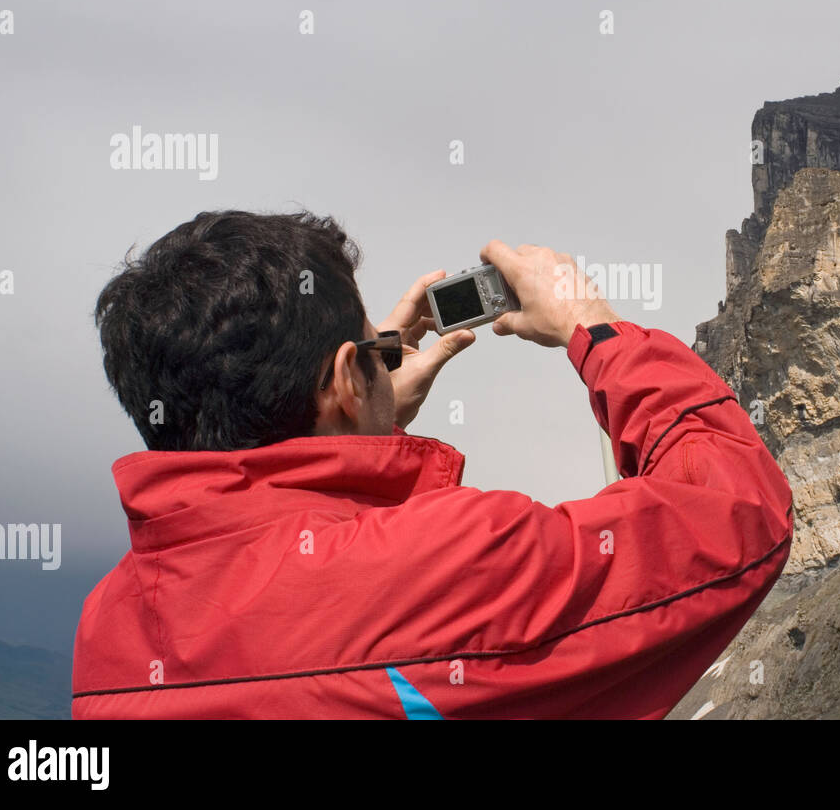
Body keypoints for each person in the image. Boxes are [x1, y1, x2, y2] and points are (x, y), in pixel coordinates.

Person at [72, 210, 793, 718]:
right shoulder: (454, 560)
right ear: (349, 379)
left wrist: (359, 428)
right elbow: (743, 518)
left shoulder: (109, 626)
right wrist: (593, 328)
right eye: (372, 357)